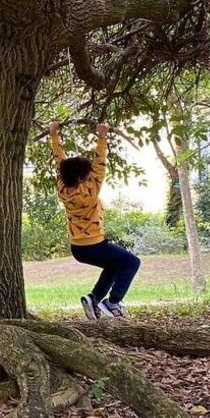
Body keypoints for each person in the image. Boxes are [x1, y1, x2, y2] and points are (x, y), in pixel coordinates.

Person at [48, 119, 141, 319]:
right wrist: (102, 136)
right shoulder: (90, 189)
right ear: (83, 178)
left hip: (77, 248)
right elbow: (100, 163)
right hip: (94, 245)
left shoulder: (62, 187)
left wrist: (54, 135)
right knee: (131, 262)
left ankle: (94, 298)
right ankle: (113, 302)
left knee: (113, 265)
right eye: (88, 173)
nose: (92, 174)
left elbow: (59, 161)